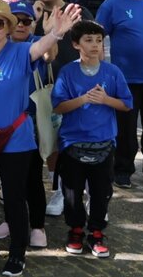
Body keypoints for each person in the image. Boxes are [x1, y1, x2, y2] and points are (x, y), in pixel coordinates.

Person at [0, 0, 80, 277]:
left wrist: (56, 33)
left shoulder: (21, 52)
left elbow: (42, 48)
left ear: (8, 27)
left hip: (16, 139)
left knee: (13, 196)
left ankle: (17, 254)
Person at [52, 20, 133, 258]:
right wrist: (84, 99)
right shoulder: (67, 72)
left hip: (104, 143)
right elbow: (58, 106)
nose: (95, 45)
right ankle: (75, 230)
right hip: (72, 143)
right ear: (76, 44)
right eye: (88, 40)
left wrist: (106, 99)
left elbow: (127, 104)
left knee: (101, 191)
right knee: (72, 192)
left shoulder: (112, 72)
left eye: (99, 40)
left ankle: (96, 232)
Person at [95, 0, 143, 189]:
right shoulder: (112, 4)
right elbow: (97, 37)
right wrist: (100, 68)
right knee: (126, 130)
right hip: (125, 80)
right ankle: (122, 169)